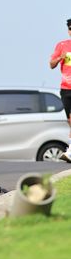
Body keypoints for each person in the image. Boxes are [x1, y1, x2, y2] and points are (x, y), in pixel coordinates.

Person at [49, 18, 71, 162]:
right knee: (70, 120)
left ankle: (70, 152)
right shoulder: (62, 45)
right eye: (70, 29)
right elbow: (51, 64)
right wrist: (59, 59)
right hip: (66, 89)